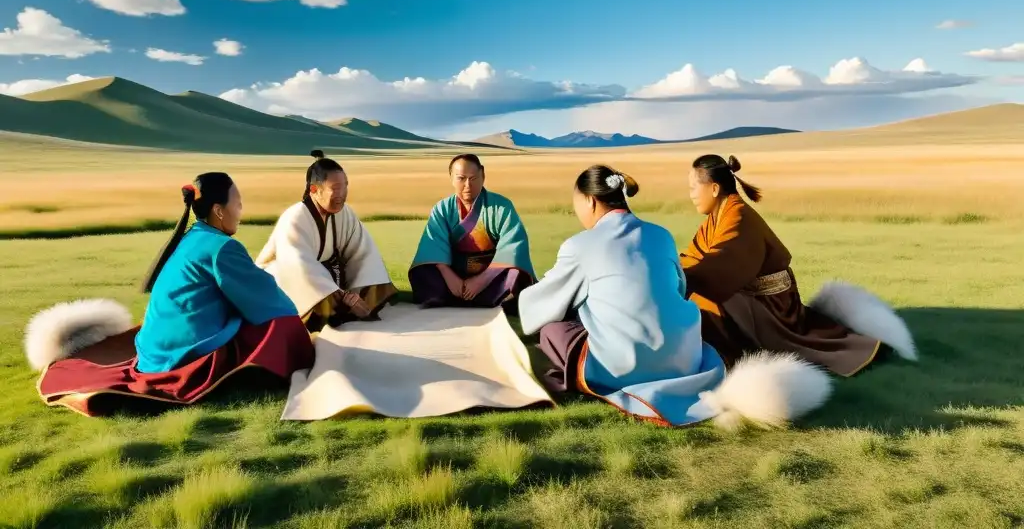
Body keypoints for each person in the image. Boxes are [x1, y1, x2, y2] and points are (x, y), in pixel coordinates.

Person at [518, 165, 833, 428]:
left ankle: (576, 379)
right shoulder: (661, 235)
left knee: (552, 329)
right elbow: (677, 288)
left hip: (626, 362)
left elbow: (543, 304)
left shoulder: (579, 245)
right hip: (684, 359)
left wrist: (526, 297)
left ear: (589, 201)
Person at [25, 173, 315, 416]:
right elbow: (264, 298)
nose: (240, 212)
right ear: (219, 210)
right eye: (238, 205)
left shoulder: (193, 237)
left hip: (154, 351)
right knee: (281, 326)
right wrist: (298, 321)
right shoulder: (222, 247)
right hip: (182, 353)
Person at [681, 154, 918, 377]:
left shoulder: (737, 216)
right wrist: (673, 265)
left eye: (693, 187)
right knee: (700, 293)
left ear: (714, 188)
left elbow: (720, 263)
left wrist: (681, 274)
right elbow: (697, 257)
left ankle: (725, 362)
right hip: (748, 293)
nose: (690, 194)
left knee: (704, 301)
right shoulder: (717, 217)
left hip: (771, 305)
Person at [255, 151, 398, 331]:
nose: (342, 194)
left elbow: (362, 251)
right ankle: (325, 314)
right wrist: (340, 293)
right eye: (335, 188)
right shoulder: (295, 217)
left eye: (345, 187)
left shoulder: (345, 214)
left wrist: (356, 292)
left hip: (327, 276)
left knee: (368, 280)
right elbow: (298, 264)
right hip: (281, 278)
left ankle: (343, 309)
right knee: (303, 284)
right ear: (314, 190)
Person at [408, 154, 535, 311]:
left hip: (491, 273)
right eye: (461, 178)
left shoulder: (501, 206)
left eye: (473, 178)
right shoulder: (442, 209)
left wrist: (483, 279)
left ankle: (456, 299)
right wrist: (450, 277)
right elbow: (433, 246)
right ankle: (468, 297)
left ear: (483, 176)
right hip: (453, 271)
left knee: (516, 274)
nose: (468, 185)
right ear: (452, 179)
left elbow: (513, 247)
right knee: (423, 270)